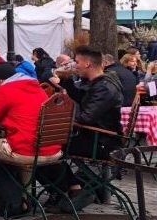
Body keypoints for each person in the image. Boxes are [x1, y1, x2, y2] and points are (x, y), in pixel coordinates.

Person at [0, 63, 62, 216]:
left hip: (26, 151)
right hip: (51, 149)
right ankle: (25, 199)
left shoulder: (5, 90)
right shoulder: (37, 88)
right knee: (27, 143)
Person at [46, 45, 123, 210]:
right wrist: (65, 80)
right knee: (47, 145)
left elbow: (86, 118)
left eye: (77, 61)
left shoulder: (104, 87)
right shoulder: (99, 82)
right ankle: (73, 188)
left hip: (102, 142)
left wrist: (58, 118)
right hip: (95, 137)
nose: (75, 65)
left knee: (46, 147)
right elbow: (81, 98)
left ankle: (68, 189)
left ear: (87, 64)